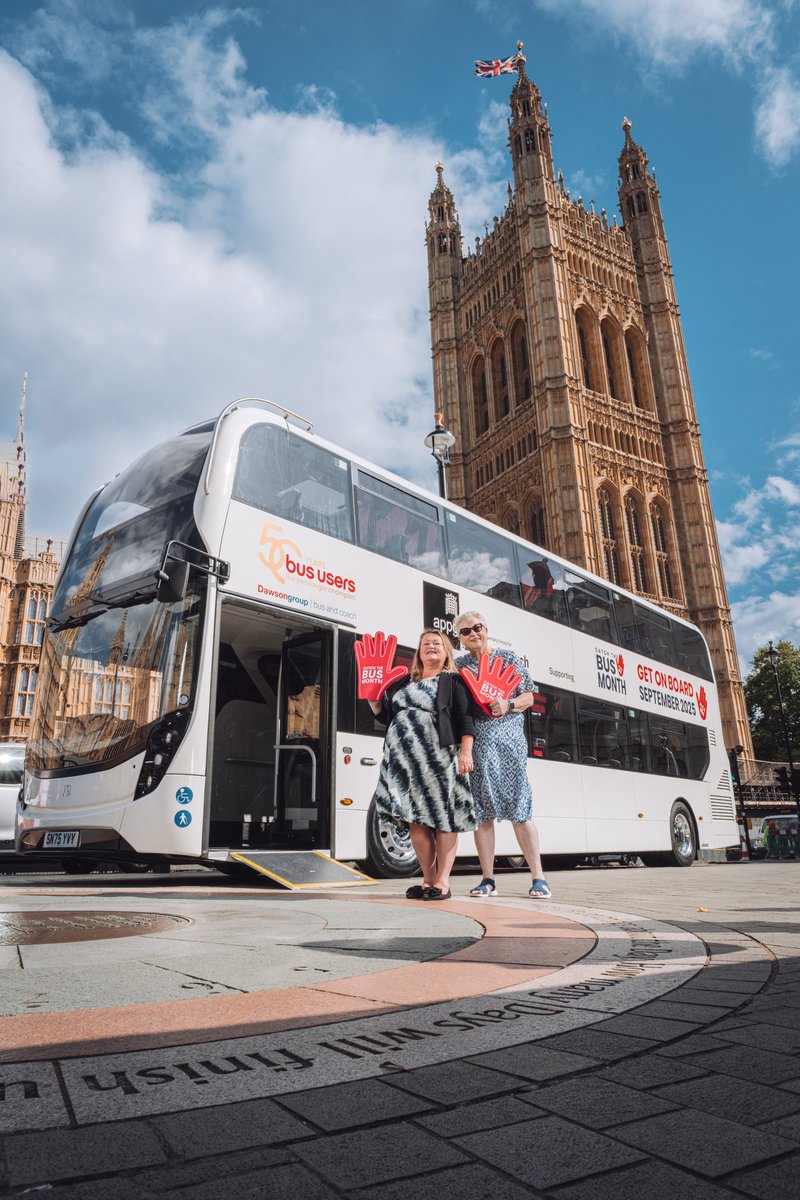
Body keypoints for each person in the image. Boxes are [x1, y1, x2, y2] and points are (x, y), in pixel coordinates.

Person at [367, 628, 476, 900]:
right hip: (403, 762)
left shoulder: (453, 681)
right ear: (419, 651)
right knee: (415, 821)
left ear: (446, 651)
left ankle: (443, 882)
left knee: (444, 819)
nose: (431, 646)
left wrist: (466, 752)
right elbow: (386, 717)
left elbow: (465, 717)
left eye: (437, 643)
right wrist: (372, 699)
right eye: (426, 643)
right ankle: (427, 880)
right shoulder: (405, 682)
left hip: (439, 758)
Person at [455, 609, 551, 899]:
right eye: (465, 631)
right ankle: (487, 879)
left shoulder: (508, 658)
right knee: (482, 815)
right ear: (459, 639)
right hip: (478, 747)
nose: (473, 634)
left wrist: (508, 704)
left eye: (477, 627)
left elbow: (530, 696)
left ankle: (539, 878)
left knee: (520, 810)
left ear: (487, 629)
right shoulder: (459, 666)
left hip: (509, 745)